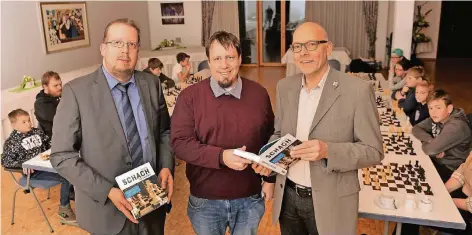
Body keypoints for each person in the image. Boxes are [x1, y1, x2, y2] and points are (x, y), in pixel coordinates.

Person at [50, 18, 174, 235]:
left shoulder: (151, 84)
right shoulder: (76, 92)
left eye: (132, 44)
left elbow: (164, 131)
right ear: (103, 48)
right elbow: (61, 155)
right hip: (107, 211)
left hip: (152, 201)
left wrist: (165, 165)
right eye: (117, 43)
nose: (125, 50)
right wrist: (107, 191)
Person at [269, 22, 383, 235]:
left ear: (328, 48)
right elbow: (279, 134)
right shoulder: (285, 87)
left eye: (311, 44)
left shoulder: (357, 91)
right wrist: (268, 159)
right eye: (297, 47)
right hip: (288, 198)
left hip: (332, 202)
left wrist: (328, 151)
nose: (303, 53)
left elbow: (373, 151)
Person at [170, 31, 275, 235]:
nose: (224, 65)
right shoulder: (189, 97)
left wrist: (270, 179)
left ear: (240, 59)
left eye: (230, 57)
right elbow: (180, 144)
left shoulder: (259, 94)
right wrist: (221, 156)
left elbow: (271, 138)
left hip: (250, 200)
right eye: (217, 58)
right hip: (205, 202)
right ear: (208, 61)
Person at [1, 109, 76, 223]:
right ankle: (64, 210)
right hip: (32, 175)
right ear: (13, 125)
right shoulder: (11, 142)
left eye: (29, 120)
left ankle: (71, 193)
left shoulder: (37, 132)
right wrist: (22, 165)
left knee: (73, 168)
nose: (29, 123)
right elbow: (5, 162)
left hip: (48, 167)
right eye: (24, 122)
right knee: (67, 176)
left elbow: (49, 144)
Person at [413, 89, 472, 182]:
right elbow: (416, 129)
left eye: (438, 108)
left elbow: (429, 150)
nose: (433, 112)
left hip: (450, 171)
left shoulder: (456, 126)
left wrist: (432, 147)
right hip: (437, 162)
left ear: (449, 109)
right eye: (430, 108)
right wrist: (431, 141)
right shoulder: (439, 117)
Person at [34, 71, 62, 139]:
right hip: (54, 138)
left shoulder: (59, 96)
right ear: (45, 87)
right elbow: (62, 118)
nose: (60, 88)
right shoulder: (41, 104)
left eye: (60, 84)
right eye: (55, 86)